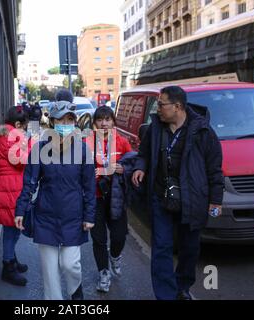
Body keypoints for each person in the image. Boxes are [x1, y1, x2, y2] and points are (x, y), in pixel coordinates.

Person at [131, 86, 224, 300]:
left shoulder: (203, 131)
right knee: (162, 248)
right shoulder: (155, 128)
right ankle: (166, 295)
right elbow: (143, 153)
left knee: (189, 248)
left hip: (191, 199)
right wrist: (140, 167)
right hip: (160, 197)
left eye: (161, 104)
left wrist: (216, 201)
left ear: (178, 106)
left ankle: (182, 286)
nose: (158, 108)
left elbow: (214, 169)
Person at [15, 100, 96, 300]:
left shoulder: (83, 150)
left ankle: (75, 290)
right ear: (52, 122)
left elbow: (89, 187)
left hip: (73, 216)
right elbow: (30, 182)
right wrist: (20, 209)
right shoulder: (40, 149)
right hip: (46, 216)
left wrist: (89, 215)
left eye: (69, 119)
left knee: (70, 265)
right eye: (60, 119)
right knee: (50, 273)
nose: (65, 124)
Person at [85, 107, 132, 293]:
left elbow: (132, 164)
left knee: (119, 236)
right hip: (94, 197)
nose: (104, 123)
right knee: (98, 239)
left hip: (116, 197)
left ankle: (115, 256)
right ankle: (104, 273)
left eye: (107, 119)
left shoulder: (122, 142)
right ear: (94, 123)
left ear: (113, 121)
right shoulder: (86, 142)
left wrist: (123, 169)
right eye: (99, 120)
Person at [0, 106, 31, 287]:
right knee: (12, 228)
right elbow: (21, 161)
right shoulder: (12, 137)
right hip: (10, 188)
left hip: (4, 186)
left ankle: (11, 258)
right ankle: (8, 267)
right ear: (18, 124)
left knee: (12, 227)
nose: (25, 130)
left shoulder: (2, 135)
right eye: (24, 126)